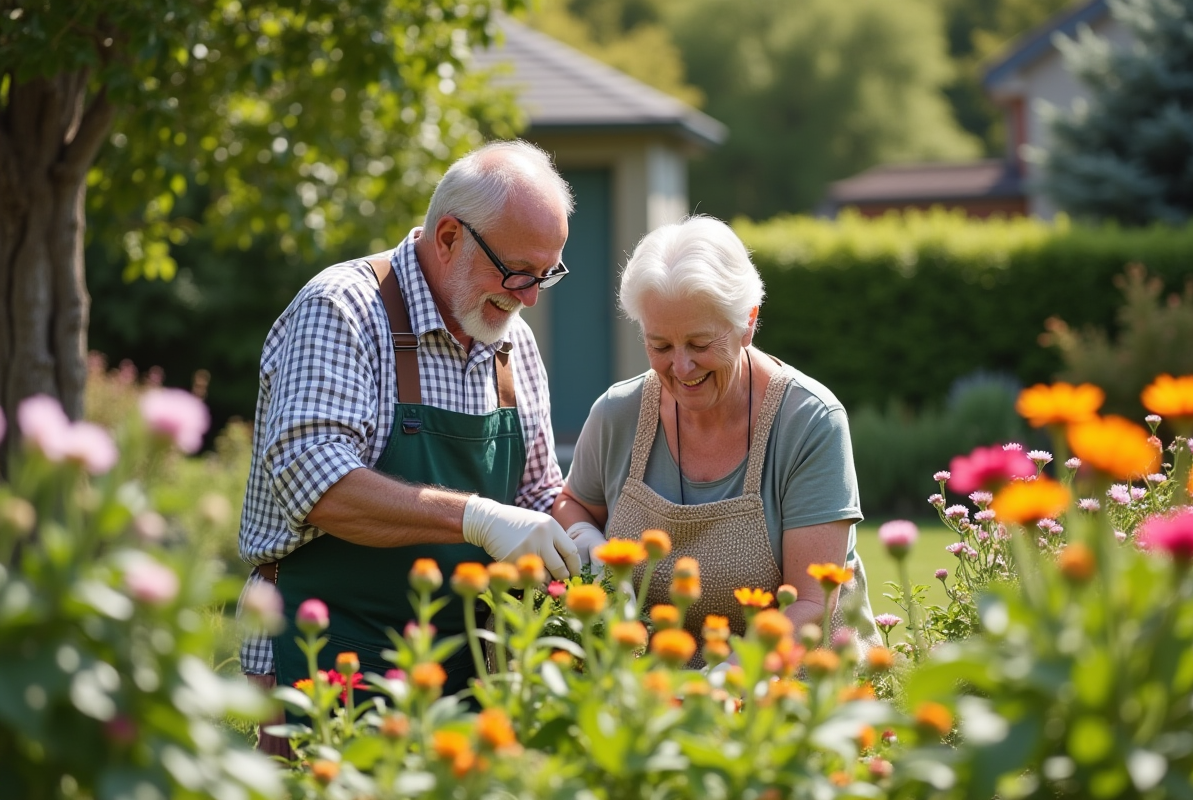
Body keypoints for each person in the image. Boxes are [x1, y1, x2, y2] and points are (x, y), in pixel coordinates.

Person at [237, 140, 581, 754]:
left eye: (545, 274)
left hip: (466, 668)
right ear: (449, 236)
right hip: (329, 655)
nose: (530, 296)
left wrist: (574, 532)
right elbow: (315, 484)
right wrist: (475, 516)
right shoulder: (342, 311)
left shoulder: (511, 341)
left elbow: (535, 491)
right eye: (518, 272)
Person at [552, 216, 879, 665]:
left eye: (700, 343)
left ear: (747, 323)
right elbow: (573, 500)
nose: (681, 368)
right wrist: (585, 538)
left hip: (791, 682)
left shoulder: (808, 421)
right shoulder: (619, 414)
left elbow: (812, 604)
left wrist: (731, 677)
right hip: (653, 688)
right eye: (660, 346)